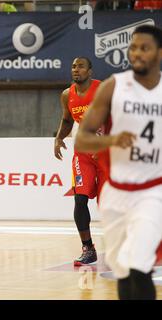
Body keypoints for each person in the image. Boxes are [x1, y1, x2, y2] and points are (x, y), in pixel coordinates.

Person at [75, 25, 162, 300]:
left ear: (159, 53)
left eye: (144, 48)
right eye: (133, 47)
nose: (136, 53)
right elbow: (82, 140)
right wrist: (111, 141)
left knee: (139, 264)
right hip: (116, 192)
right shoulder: (114, 86)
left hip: (152, 191)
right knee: (123, 268)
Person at [54, 57, 107, 266]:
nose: (76, 70)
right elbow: (67, 120)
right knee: (80, 199)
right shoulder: (67, 95)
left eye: (81, 66)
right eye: (73, 66)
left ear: (90, 71)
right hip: (83, 154)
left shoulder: (103, 90)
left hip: (106, 154)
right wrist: (58, 138)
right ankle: (88, 248)